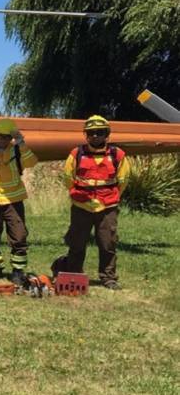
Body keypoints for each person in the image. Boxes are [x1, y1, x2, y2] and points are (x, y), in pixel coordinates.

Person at [51, 115, 130, 290]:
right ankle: (74, 274)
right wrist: (77, 195)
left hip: (107, 206)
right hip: (81, 206)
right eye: (91, 133)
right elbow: (67, 177)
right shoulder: (76, 154)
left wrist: (111, 197)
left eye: (99, 132)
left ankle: (108, 277)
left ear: (106, 134)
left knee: (107, 243)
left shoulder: (118, 155)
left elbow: (123, 180)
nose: (95, 136)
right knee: (77, 243)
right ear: (86, 135)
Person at [0, 118, 38, 284]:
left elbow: (32, 162)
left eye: (6, 137)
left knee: (19, 236)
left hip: (13, 200)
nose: (2, 139)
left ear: (11, 138)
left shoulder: (17, 151)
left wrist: (22, 142)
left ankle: (18, 271)